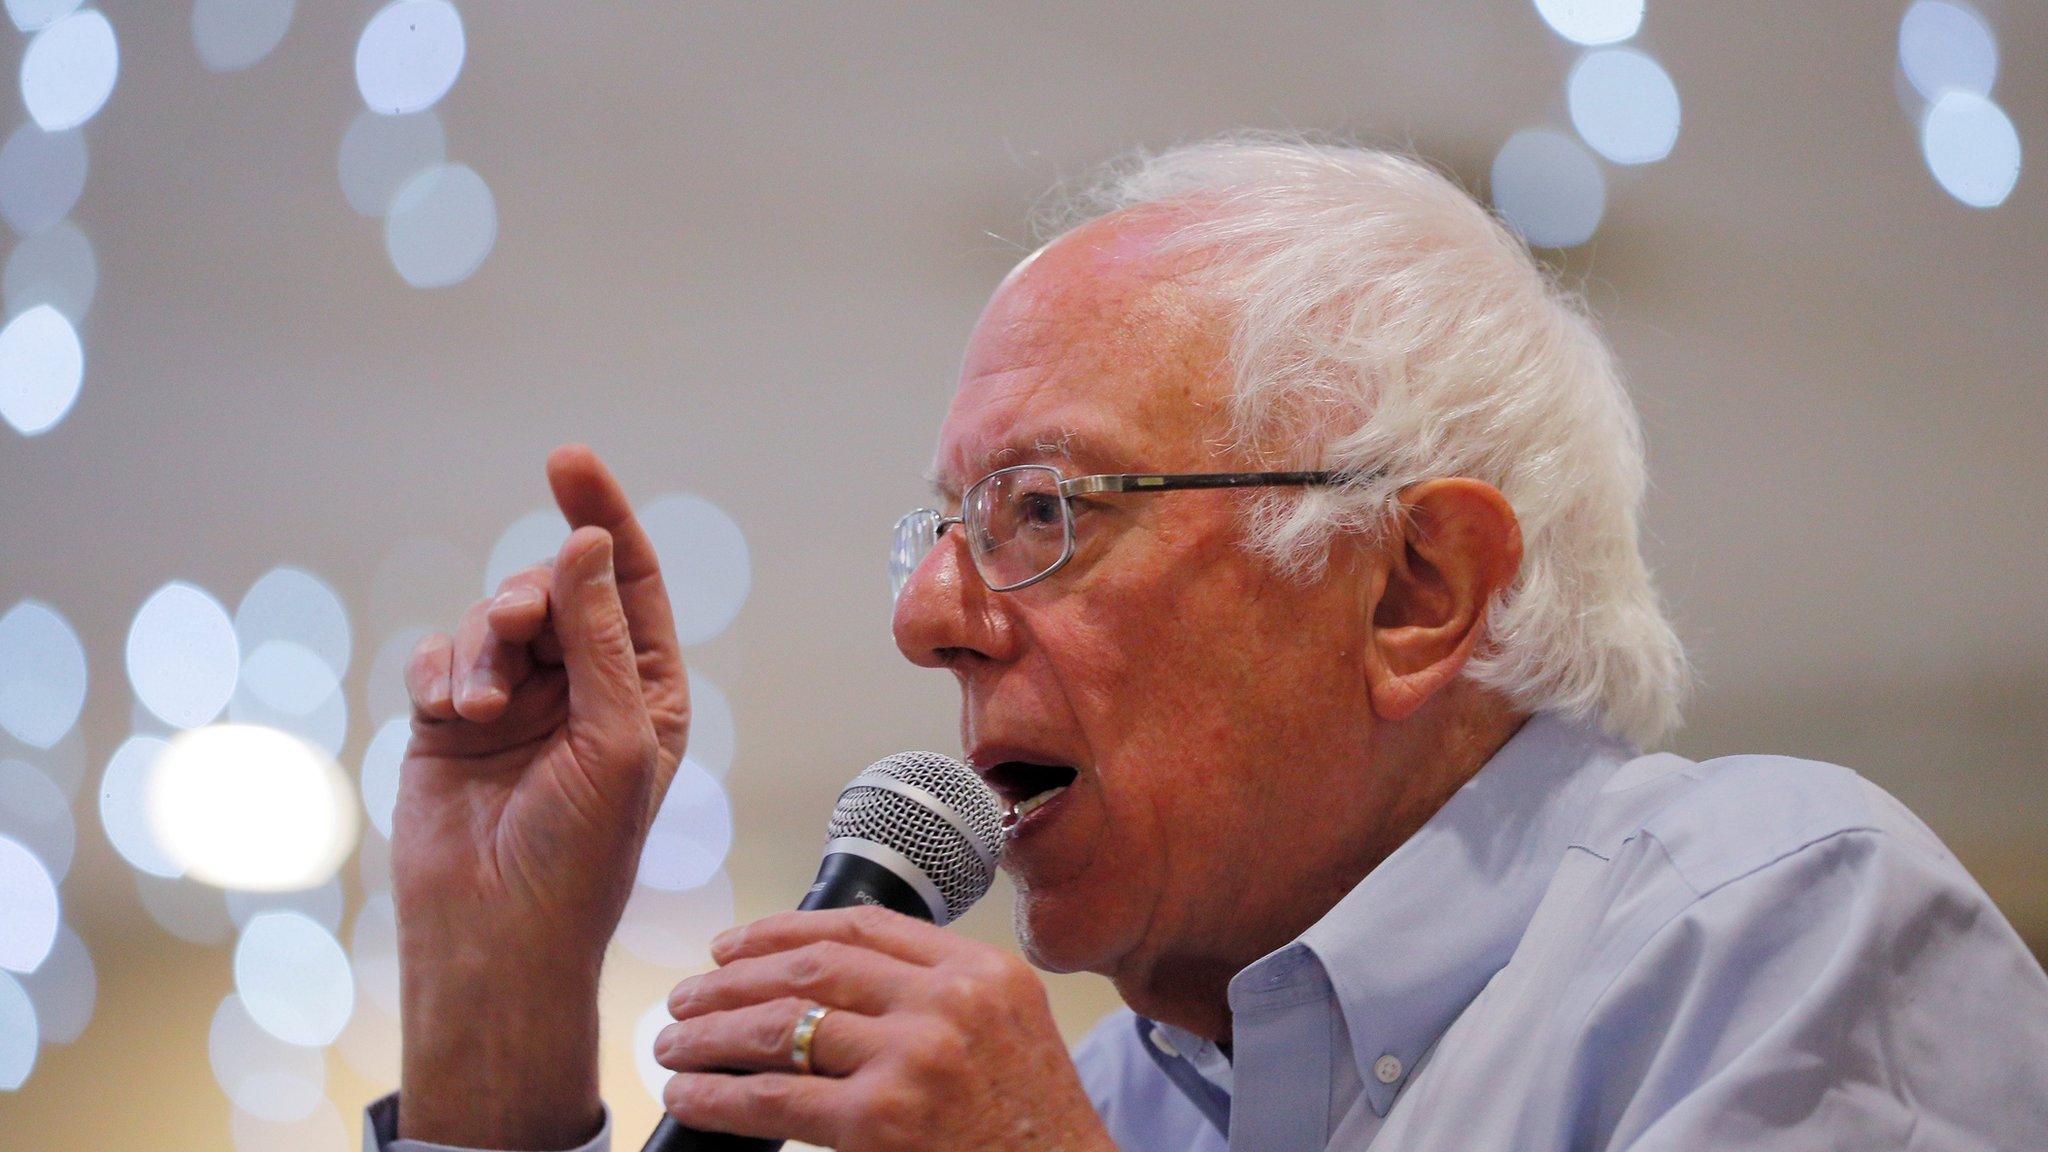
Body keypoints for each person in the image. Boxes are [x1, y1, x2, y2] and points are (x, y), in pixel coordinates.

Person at [366, 139, 2048, 1152]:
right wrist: (489, 1051)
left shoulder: (1779, 932)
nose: (926, 617)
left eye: (1044, 511)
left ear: (1413, 588)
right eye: (943, 529)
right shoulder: (1129, 1093)